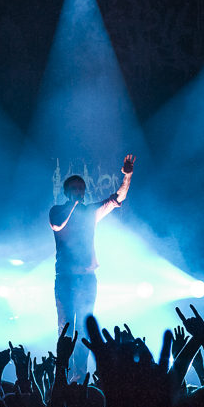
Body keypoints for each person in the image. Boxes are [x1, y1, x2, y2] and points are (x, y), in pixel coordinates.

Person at [49, 154, 135, 380]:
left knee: (85, 328)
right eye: (75, 189)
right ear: (67, 192)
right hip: (66, 279)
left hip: (87, 279)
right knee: (66, 328)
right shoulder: (57, 210)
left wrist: (127, 176)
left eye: (82, 189)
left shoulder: (91, 212)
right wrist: (73, 206)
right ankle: (62, 379)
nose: (80, 192)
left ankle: (80, 380)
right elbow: (57, 225)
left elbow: (119, 197)